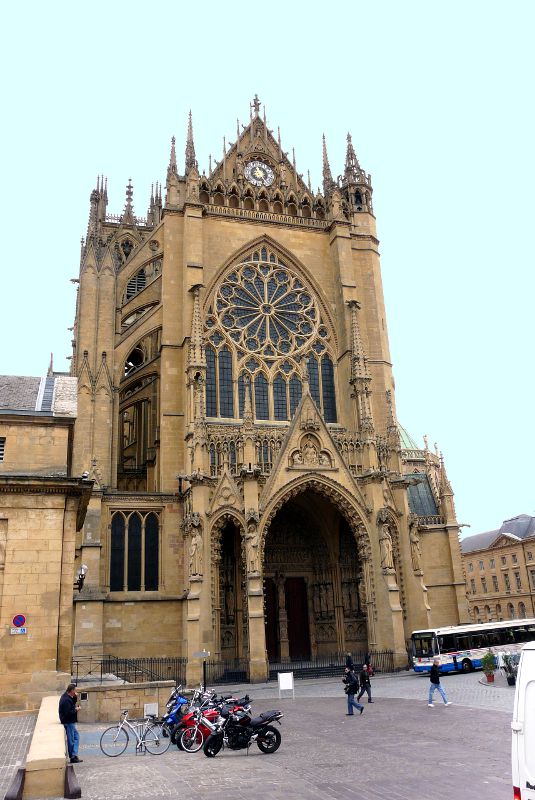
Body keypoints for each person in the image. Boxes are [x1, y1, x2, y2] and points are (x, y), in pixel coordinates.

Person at [59, 683, 83, 763]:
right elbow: (68, 713)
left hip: (70, 721)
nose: (75, 692)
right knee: (71, 739)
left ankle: (74, 754)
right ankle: (73, 757)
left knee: (76, 736)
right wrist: (76, 709)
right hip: (68, 722)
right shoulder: (66, 700)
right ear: (72, 690)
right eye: (74, 690)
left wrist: (75, 698)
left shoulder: (67, 697)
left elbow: (71, 704)